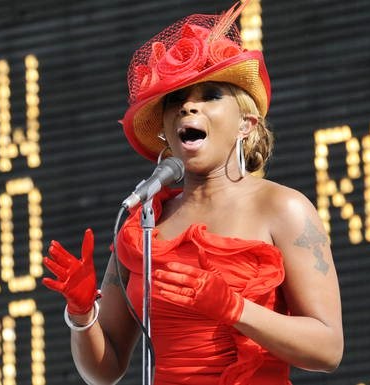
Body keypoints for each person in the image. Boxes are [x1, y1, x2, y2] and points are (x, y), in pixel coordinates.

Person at [42, 1, 343, 384]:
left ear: (246, 124)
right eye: (176, 100)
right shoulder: (142, 226)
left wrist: (235, 308)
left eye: (210, 95)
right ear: (166, 129)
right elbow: (105, 371)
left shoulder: (283, 208)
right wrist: (83, 315)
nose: (188, 107)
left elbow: (328, 349)